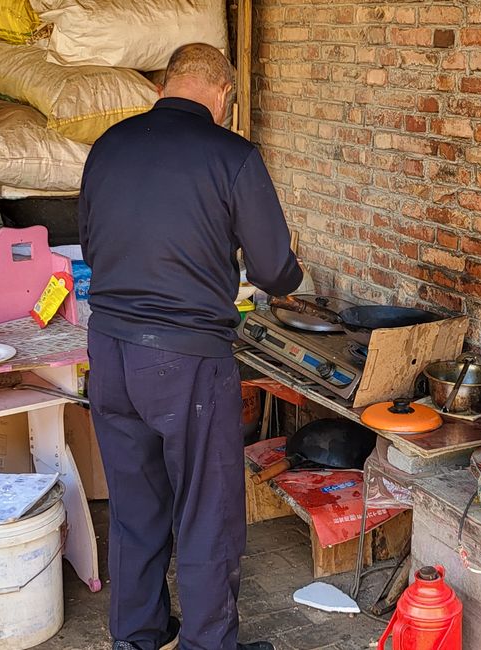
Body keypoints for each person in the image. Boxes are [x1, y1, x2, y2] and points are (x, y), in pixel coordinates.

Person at [78, 42, 302, 650]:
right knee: (207, 512)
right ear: (224, 95)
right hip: (185, 360)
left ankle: (138, 636)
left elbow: (93, 251)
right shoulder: (232, 155)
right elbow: (276, 271)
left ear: (166, 86)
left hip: (111, 350)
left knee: (134, 508)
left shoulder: (108, 147)